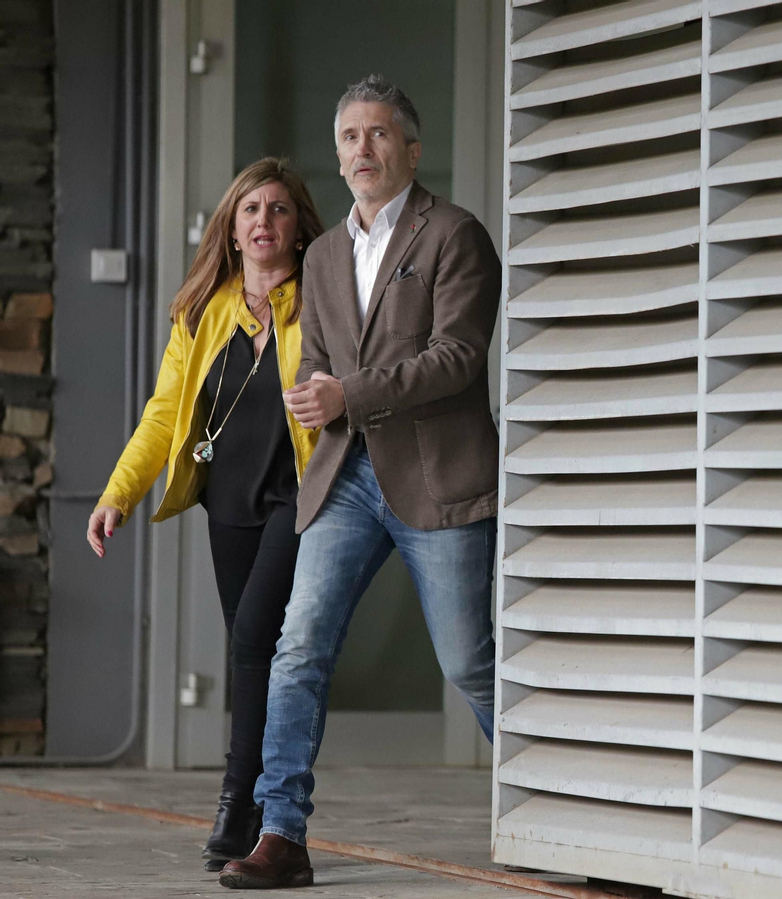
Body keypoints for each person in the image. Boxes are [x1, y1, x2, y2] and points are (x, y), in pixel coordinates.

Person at [219, 74, 501, 890]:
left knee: (468, 661)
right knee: (297, 645)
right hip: (345, 476)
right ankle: (282, 833)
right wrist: (313, 393)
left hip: (437, 476)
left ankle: (554, 797)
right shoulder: (324, 254)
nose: (363, 149)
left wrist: (350, 391)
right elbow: (319, 359)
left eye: (379, 134)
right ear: (339, 159)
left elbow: (458, 358)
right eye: (349, 137)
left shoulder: (455, 234)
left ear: (411, 149)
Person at [87, 159, 324, 872]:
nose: (263, 222)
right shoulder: (202, 310)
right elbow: (165, 414)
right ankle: (255, 807)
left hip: (298, 492)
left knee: (258, 636)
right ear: (231, 226)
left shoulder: (321, 303)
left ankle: (238, 802)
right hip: (229, 497)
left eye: (278, 209)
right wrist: (117, 492)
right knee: (249, 650)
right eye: (250, 209)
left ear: (298, 227)